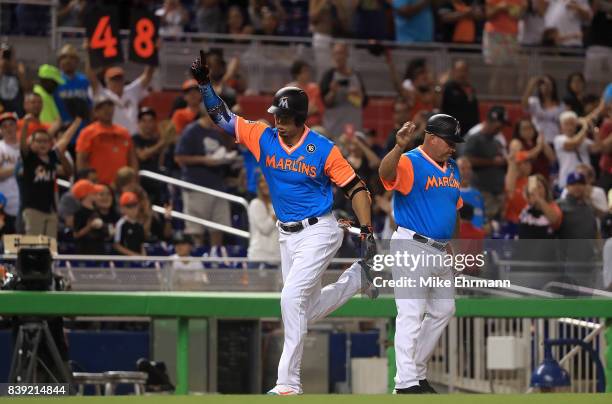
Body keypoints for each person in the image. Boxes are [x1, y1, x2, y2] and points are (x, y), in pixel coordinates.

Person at [190, 50, 377, 395]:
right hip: (285, 234)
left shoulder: (322, 149)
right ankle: (357, 279)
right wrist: (205, 86)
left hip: (320, 230)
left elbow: (356, 188)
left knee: (290, 298)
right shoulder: (264, 137)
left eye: (285, 117)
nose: (278, 121)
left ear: (300, 118)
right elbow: (222, 117)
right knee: (302, 308)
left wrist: (366, 230)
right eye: (276, 114)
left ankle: (288, 382)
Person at [379, 114, 464, 394]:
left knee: (444, 309)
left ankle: (415, 371)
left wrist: (455, 247)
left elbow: (455, 209)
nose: (453, 148)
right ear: (431, 137)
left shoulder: (453, 168)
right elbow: (385, 175)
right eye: (449, 142)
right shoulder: (410, 161)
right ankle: (405, 384)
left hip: (439, 249)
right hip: (411, 244)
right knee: (411, 313)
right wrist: (398, 147)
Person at [174, 112, 235, 248]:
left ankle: (215, 260)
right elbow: (179, 158)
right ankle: (197, 261)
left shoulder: (216, 133)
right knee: (196, 231)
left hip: (217, 186)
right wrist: (204, 161)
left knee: (218, 228)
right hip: (196, 186)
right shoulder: (191, 131)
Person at [19, 115, 80, 237]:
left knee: (51, 248)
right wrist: (25, 124)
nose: (42, 144)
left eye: (45, 141)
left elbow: (65, 141)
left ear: (50, 143)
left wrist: (78, 121)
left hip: (50, 210)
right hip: (32, 209)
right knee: (33, 246)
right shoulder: (29, 159)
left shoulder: (52, 157)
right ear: (32, 143)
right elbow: (23, 146)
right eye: (38, 141)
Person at [76, 97, 138, 185]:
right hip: (98, 185)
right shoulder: (87, 133)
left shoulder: (124, 132)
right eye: (102, 108)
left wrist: (134, 180)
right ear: (95, 112)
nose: (107, 110)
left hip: (123, 185)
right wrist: (84, 183)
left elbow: (132, 159)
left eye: (110, 106)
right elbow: (81, 160)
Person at [464, 107, 507, 221]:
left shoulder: (496, 140)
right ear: (490, 122)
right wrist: (492, 162)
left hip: (497, 192)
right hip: (482, 190)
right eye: (498, 126)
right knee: (485, 223)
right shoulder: (474, 138)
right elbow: (466, 160)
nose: (500, 129)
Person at [89, 65, 155, 135]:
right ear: (106, 81)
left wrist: (150, 57)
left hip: (133, 137)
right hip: (114, 137)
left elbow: (148, 75)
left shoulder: (132, 90)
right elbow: (91, 77)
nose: (117, 82)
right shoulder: (102, 94)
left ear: (124, 80)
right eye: (113, 80)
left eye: (119, 79)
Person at [320, 42, 368, 139]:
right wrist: (333, 92)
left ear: (347, 55)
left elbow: (363, 102)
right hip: (333, 130)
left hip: (354, 128)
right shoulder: (328, 76)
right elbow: (326, 103)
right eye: (336, 53)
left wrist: (358, 94)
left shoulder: (356, 75)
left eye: (341, 53)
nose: (338, 57)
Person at [133, 107, 171, 205]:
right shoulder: (134, 139)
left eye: (150, 121)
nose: (147, 124)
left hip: (158, 184)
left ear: (155, 123)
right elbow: (142, 155)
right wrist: (161, 143)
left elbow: (162, 161)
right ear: (138, 123)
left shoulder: (158, 139)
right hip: (141, 184)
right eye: (144, 121)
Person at [54, 44, 91, 145]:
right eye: (64, 57)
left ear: (77, 62)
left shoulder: (84, 81)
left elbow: (90, 107)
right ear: (59, 61)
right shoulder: (53, 82)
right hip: (61, 134)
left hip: (83, 134)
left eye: (72, 58)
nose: (68, 61)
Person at [553, 112, 601, 189]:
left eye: (572, 124)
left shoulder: (583, 139)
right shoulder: (559, 139)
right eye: (566, 124)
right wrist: (585, 127)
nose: (569, 127)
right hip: (568, 181)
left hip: (585, 180)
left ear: (576, 126)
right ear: (561, 126)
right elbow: (573, 144)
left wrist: (593, 128)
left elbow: (598, 148)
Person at [248, 175, 281, 267]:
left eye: (267, 180)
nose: (265, 184)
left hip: (277, 257)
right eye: (262, 181)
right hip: (259, 258)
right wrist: (278, 214)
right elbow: (265, 229)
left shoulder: (279, 204)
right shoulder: (256, 204)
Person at [522, 75, 565, 144]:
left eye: (549, 84)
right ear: (539, 87)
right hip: (537, 138)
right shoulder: (534, 101)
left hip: (555, 139)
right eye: (543, 84)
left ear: (553, 87)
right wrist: (531, 86)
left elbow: (563, 123)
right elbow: (524, 105)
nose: (546, 86)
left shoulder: (561, 105)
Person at [440, 59, 480, 136]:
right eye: (459, 71)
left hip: (469, 130)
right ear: (453, 72)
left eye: (464, 71)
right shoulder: (448, 87)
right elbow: (439, 105)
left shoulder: (470, 89)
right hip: (452, 129)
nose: (462, 74)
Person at [71, 179, 107, 254]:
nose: (96, 194)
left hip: (99, 250)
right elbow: (75, 235)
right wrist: (89, 227)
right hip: (85, 251)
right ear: (86, 195)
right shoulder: (79, 213)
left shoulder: (97, 210)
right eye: (93, 193)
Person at [287, 60, 325, 126]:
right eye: (305, 71)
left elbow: (319, 109)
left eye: (308, 71)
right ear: (297, 74)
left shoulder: (315, 88)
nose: (308, 73)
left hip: (314, 125)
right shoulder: (289, 89)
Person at [0, 112, 20, 233]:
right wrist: (20, 166)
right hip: (4, 205)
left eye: (11, 124)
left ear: (16, 126)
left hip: (25, 203)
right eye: (4, 126)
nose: (8, 128)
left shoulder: (25, 147)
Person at [457, 157, 486, 230]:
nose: (467, 172)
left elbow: (483, 218)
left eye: (469, 168)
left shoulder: (477, 194)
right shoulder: (450, 195)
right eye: (463, 169)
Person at [504, 151, 532, 225]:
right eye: (525, 163)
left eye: (529, 163)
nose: (529, 165)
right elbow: (509, 194)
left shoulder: (533, 181)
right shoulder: (508, 180)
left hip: (528, 222)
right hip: (511, 222)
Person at [114, 191, 146, 256]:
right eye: (129, 206)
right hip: (124, 261)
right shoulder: (120, 224)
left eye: (135, 205)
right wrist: (134, 255)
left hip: (138, 260)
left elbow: (141, 245)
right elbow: (117, 245)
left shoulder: (139, 225)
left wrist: (144, 258)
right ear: (122, 208)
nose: (133, 209)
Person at [0, 43, 26, 115]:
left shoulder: (18, 68)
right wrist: (1, 68)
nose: (6, 57)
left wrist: (20, 72)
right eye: (4, 55)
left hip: (17, 114)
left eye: (8, 54)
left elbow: (26, 89)